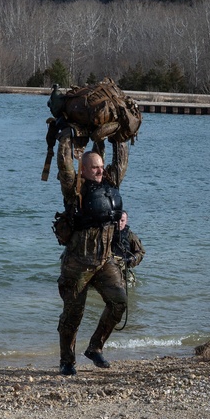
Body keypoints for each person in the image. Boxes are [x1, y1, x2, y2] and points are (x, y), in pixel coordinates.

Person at [55, 133, 129, 376]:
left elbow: (120, 162)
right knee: (73, 315)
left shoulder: (110, 185)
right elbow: (65, 164)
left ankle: (95, 347)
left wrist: (120, 137)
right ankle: (67, 362)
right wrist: (65, 137)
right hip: (78, 263)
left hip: (104, 260)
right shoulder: (74, 189)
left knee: (119, 303)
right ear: (83, 169)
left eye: (101, 167)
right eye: (94, 167)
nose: (99, 171)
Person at [113, 211, 145, 286]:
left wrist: (131, 259)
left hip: (123, 266)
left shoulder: (131, 236)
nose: (119, 223)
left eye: (122, 221)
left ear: (126, 221)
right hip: (108, 264)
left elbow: (141, 252)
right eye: (117, 220)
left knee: (129, 282)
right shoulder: (107, 233)